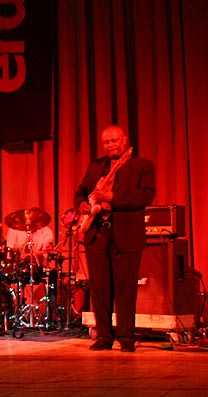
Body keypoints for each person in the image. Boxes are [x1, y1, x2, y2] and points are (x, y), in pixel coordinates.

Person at [74, 125, 155, 352]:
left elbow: (146, 195)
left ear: (124, 140)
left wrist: (112, 197)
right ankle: (104, 336)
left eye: (114, 140)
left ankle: (126, 337)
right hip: (97, 233)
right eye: (106, 142)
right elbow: (80, 192)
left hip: (126, 233)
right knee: (100, 289)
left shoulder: (142, 166)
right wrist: (81, 203)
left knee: (126, 288)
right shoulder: (95, 166)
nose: (110, 145)